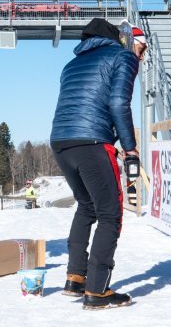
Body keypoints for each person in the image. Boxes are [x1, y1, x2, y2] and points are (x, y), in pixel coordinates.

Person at [50, 18, 142, 310]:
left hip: (61, 141)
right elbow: (118, 104)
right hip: (92, 141)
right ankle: (97, 290)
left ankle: (75, 277)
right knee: (110, 214)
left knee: (87, 206)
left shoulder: (71, 64)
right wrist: (129, 147)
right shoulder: (122, 56)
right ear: (115, 38)